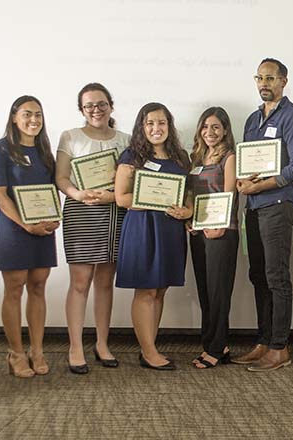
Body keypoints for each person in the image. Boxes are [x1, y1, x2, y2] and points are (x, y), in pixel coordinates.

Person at [232, 58, 293, 372]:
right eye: (260, 78)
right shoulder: (252, 119)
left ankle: (279, 348)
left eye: (271, 78)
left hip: (278, 205)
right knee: (258, 276)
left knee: (277, 277)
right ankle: (263, 341)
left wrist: (260, 184)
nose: (264, 83)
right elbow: (250, 163)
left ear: (284, 81)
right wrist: (242, 181)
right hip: (254, 206)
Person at [55, 83, 129, 374]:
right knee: (80, 281)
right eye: (89, 106)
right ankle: (75, 346)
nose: (96, 110)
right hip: (81, 210)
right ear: (81, 110)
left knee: (105, 281)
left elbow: (130, 181)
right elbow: (61, 177)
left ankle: (101, 343)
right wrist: (78, 195)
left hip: (114, 211)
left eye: (101, 104)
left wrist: (113, 196)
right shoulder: (70, 136)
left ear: (111, 105)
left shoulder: (125, 139)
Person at [114, 102, 192, 370]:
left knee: (160, 290)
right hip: (143, 228)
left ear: (169, 126)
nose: (156, 128)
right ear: (141, 127)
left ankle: (151, 346)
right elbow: (121, 198)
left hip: (170, 230)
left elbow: (188, 194)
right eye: (150, 123)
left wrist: (188, 210)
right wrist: (150, 200)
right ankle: (149, 352)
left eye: (161, 123)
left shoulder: (181, 157)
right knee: (146, 289)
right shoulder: (131, 156)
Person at [0, 95, 59, 378]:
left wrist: (54, 218)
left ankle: (37, 350)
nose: (34, 120)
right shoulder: (0, 149)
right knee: (14, 288)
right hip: (13, 228)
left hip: (42, 229)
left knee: (38, 286)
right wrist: (26, 225)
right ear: (14, 117)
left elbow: (53, 193)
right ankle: (16, 352)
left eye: (39, 114)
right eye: (27, 114)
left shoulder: (44, 152)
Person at [187, 107, 239, 369]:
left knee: (219, 292)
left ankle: (215, 349)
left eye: (216, 127)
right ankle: (215, 344)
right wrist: (190, 220)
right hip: (198, 232)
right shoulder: (195, 158)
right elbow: (191, 195)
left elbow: (230, 194)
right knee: (205, 292)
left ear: (226, 130)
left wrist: (219, 225)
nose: (210, 132)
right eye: (206, 126)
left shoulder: (229, 157)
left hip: (222, 232)